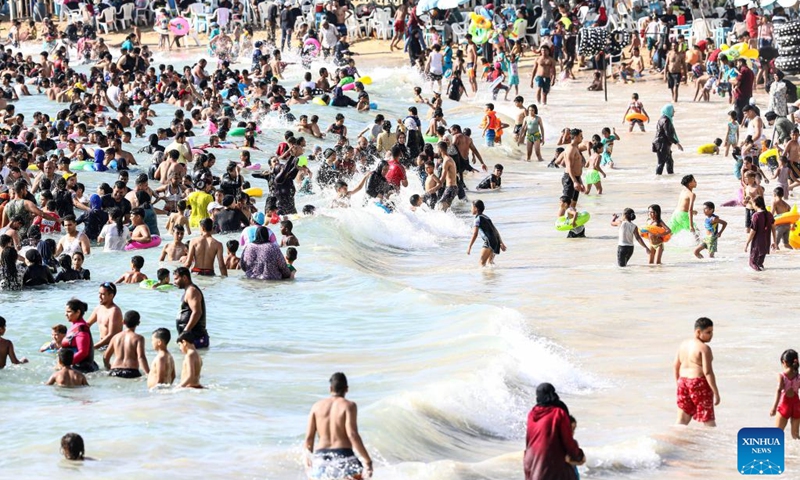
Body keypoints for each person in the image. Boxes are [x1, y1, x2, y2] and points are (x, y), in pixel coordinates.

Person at [304, 372, 373, 479]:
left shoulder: (316, 406)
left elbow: (309, 438)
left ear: (330, 388)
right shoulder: (349, 405)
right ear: (346, 389)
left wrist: (307, 461)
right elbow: (352, 435)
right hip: (344, 456)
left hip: (320, 458)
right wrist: (367, 460)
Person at [524, 382, 584, 480]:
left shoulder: (532, 414)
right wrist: (578, 456)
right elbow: (567, 439)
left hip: (532, 463)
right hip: (553, 464)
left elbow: (529, 442)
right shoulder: (559, 412)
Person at [674, 317, 720, 427]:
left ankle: (674, 441)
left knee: (682, 418)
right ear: (698, 332)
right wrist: (716, 392)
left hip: (683, 382)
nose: (711, 335)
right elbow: (708, 372)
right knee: (708, 419)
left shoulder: (683, 345)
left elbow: (676, 365)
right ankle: (713, 443)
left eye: (712, 332)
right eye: (708, 332)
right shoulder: (704, 348)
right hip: (699, 383)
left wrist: (678, 383)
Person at [103, 310, 149, 379]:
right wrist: (148, 373)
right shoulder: (139, 338)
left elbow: (106, 356)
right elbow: (141, 357)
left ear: (123, 322)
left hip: (115, 371)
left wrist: (108, 367)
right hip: (131, 371)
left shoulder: (115, 337)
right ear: (138, 323)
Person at [173, 267, 210, 349]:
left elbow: (197, 312)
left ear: (184, 278)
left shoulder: (192, 291)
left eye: (176, 279)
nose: (174, 282)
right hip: (190, 338)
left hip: (196, 338)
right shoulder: (188, 291)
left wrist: (186, 330)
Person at [62, 298, 99, 373]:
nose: (66, 314)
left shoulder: (82, 329)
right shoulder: (75, 326)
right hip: (75, 366)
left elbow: (83, 352)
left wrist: (66, 365)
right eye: (66, 311)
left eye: (69, 312)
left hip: (81, 368)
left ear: (78, 312)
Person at [770, 349, 800, 439]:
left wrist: (774, 408)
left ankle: (775, 453)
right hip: (797, 406)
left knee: (777, 434)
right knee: (795, 436)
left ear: (784, 362)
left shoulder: (781, 376)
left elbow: (779, 390)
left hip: (784, 406)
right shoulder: (798, 377)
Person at [467, 200, 507, 266]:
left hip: (489, 241)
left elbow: (475, 234)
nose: (470, 209)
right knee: (490, 263)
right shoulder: (486, 217)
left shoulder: (477, 219)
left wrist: (469, 246)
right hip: (496, 241)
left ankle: (487, 275)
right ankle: (494, 275)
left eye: (471, 207)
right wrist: (501, 243)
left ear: (476, 208)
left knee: (481, 263)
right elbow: (495, 231)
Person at [86, 282, 124, 350]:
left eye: (103, 294)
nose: (99, 296)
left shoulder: (114, 311)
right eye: (99, 293)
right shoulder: (98, 308)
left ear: (111, 296)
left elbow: (112, 335)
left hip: (112, 348)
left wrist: (93, 347)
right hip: (102, 346)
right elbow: (87, 325)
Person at [744, 196, 776, 271]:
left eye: (753, 204)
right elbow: (773, 228)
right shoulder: (769, 214)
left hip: (757, 243)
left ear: (755, 204)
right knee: (760, 264)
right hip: (766, 242)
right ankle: (763, 279)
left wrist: (747, 243)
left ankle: (758, 279)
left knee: (752, 263)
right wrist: (774, 241)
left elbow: (753, 231)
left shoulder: (756, 216)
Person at [653, 104, 683, 175]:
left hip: (662, 144)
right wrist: (677, 144)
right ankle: (657, 179)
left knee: (670, 162)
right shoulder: (666, 120)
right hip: (662, 144)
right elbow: (668, 134)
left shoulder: (662, 119)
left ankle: (670, 178)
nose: (674, 112)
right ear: (668, 111)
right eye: (673, 110)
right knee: (661, 163)